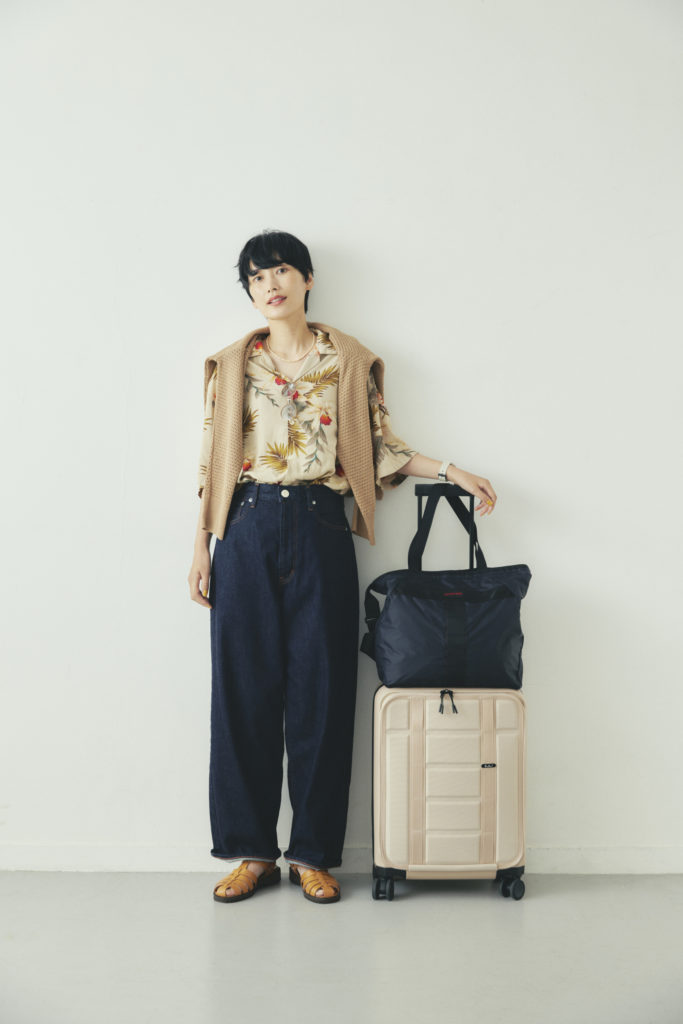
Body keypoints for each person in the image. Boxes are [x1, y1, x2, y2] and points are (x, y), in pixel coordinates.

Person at [188, 230, 497, 905]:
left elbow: (381, 447)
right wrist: (202, 546)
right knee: (242, 692)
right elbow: (212, 461)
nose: (269, 285)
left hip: (322, 526)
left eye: (280, 271)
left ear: (306, 279)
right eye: (255, 277)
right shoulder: (233, 365)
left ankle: (313, 853)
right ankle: (250, 851)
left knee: (322, 694)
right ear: (249, 292)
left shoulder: (346, 361)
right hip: (244, 528)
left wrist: (450, 470)